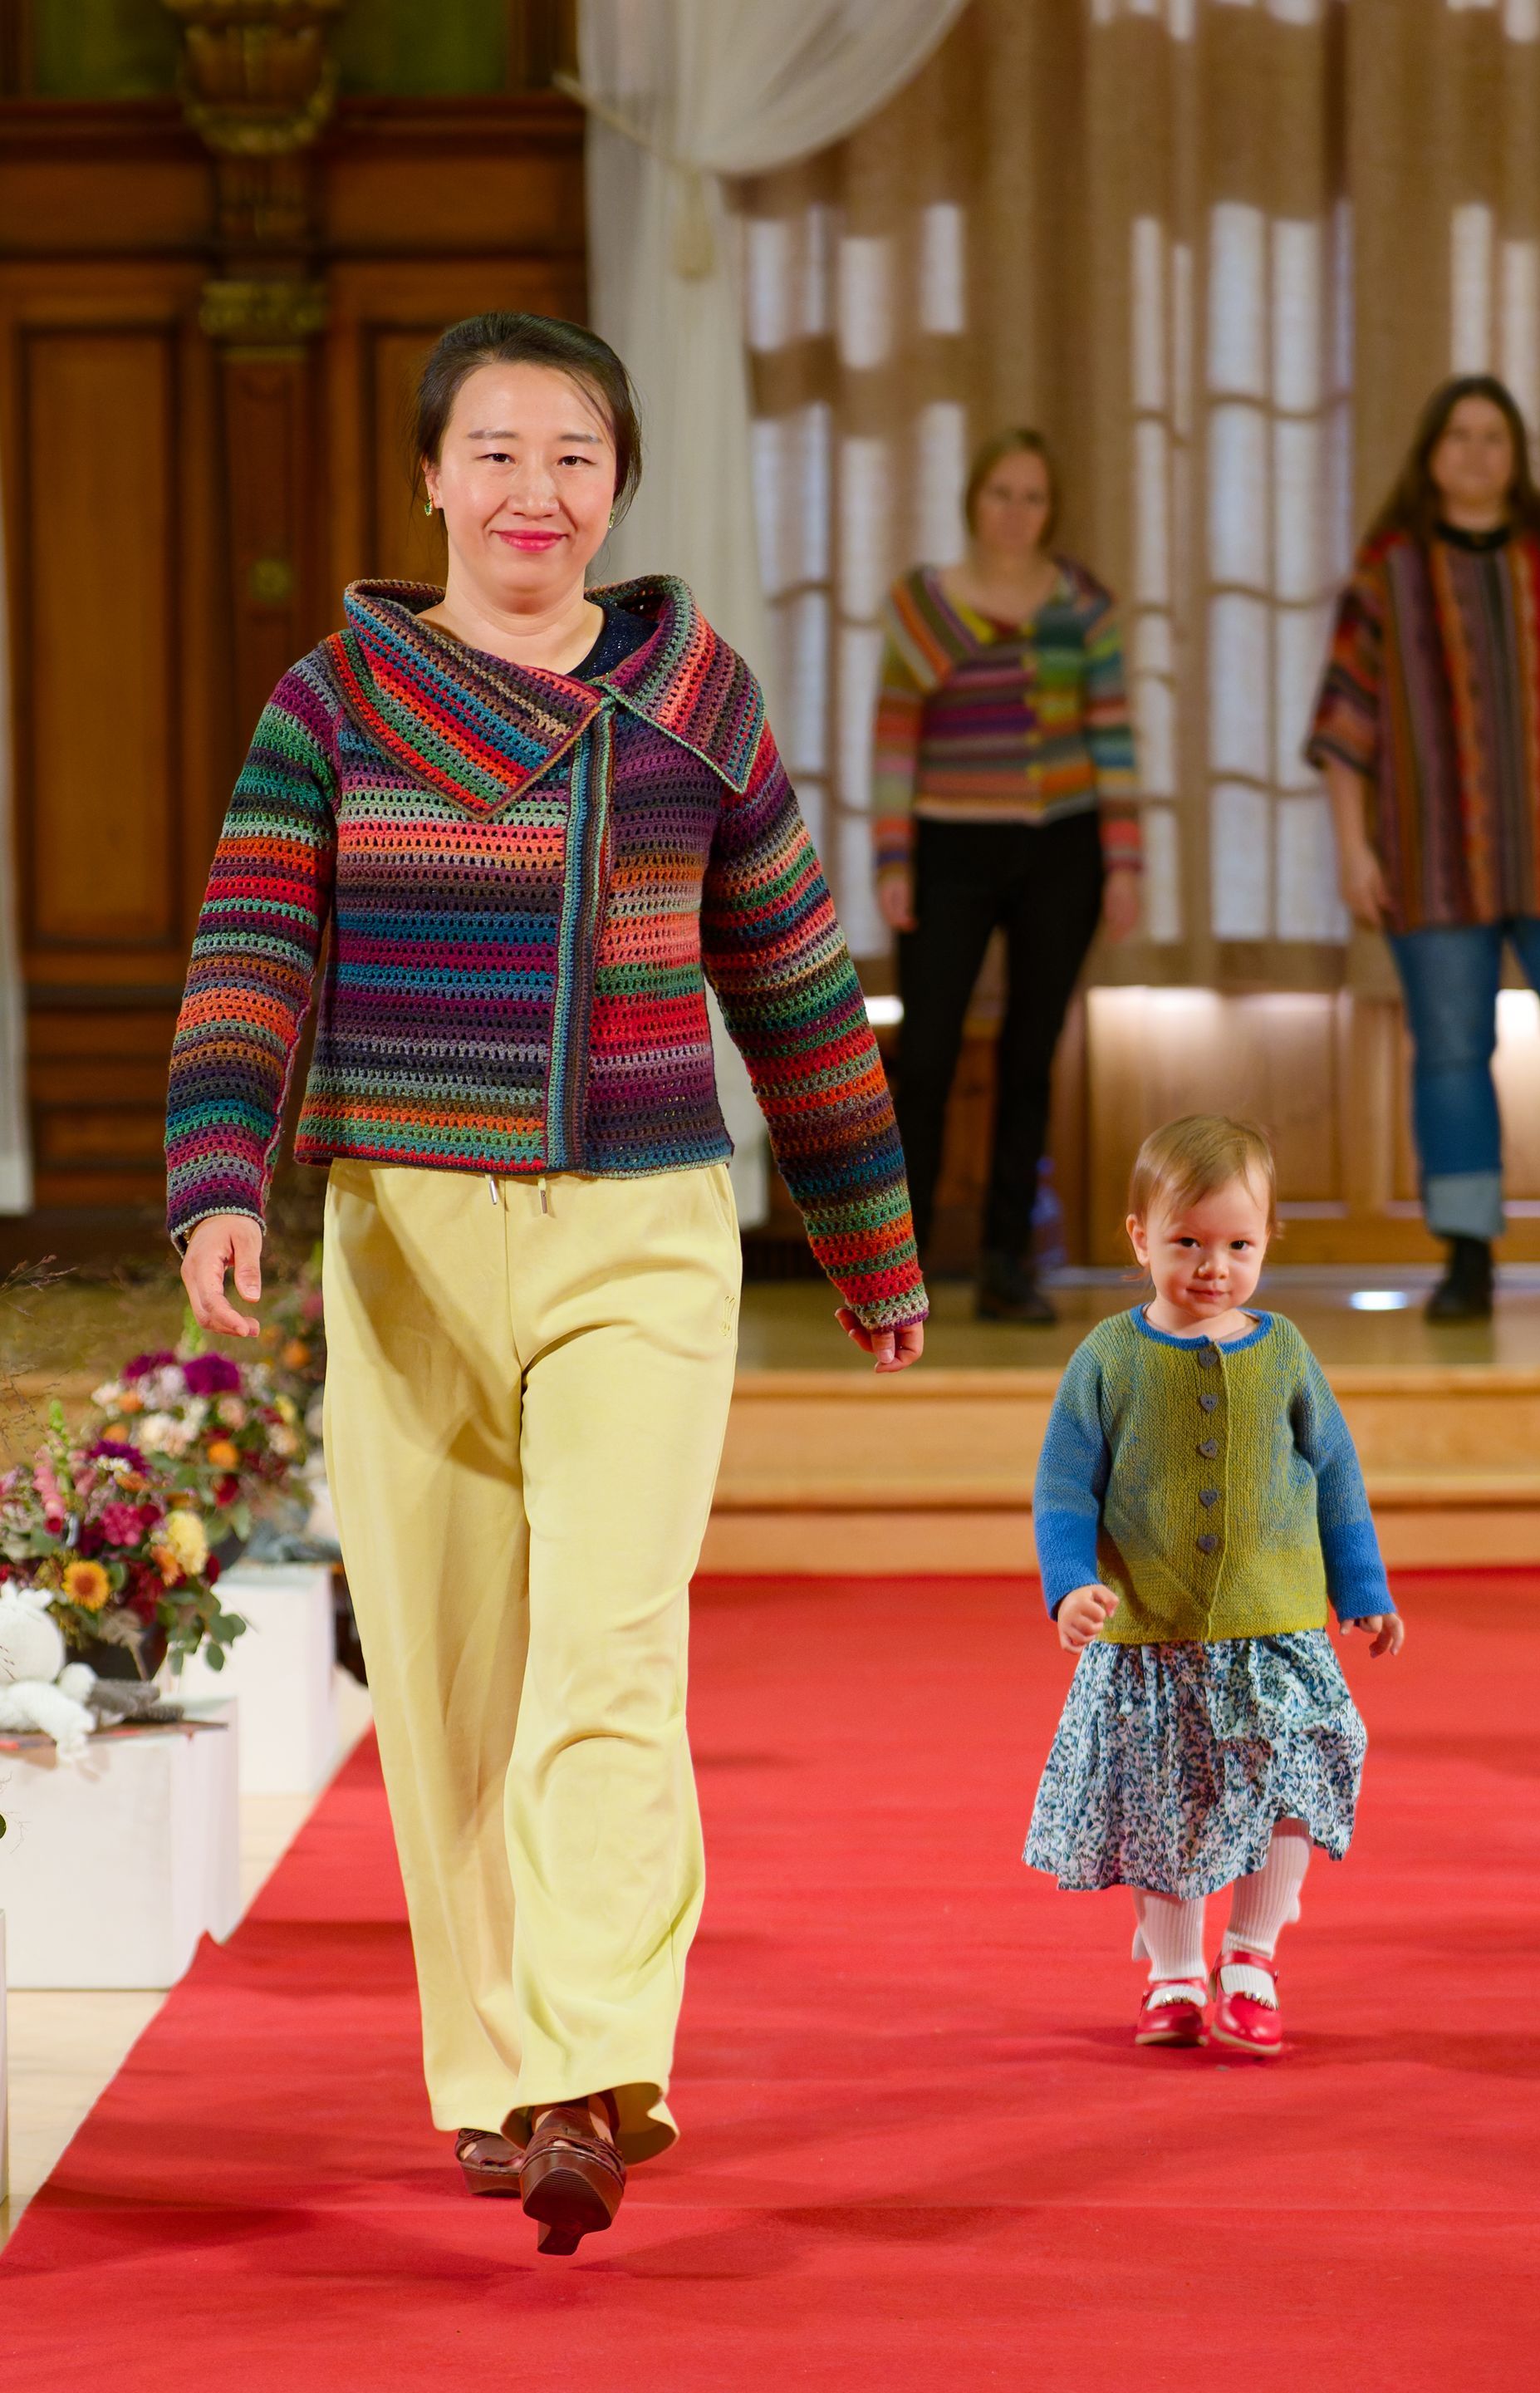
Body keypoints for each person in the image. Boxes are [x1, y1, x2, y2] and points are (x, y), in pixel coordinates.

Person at [166, 312, 927, 2254]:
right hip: (407, 1240)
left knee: (611, 1650)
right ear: (431, 479)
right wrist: (216, 1181)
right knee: (445, 1685)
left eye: (572, 455)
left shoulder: (696, 699)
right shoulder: (333, 702)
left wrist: (866, 1234)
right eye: (494, 451)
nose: (532, 490)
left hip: (641, 1228)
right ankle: (498, 2079)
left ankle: (592, 2064)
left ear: (617, 487)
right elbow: (252, 948)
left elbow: (796, 983)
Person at [1022, 1116, 1403, 2056]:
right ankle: (1174, 1974)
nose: (1211, 1266)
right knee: (1164, 1803)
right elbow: (1064, 1487)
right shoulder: (1108, 1358)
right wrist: (1070, 1585)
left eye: (1238, 1244)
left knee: (1289, 1783)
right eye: (1186, 1241)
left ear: (1269, 1240)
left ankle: (1252, 1958)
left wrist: (1364, 1587)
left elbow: (1338, 1476)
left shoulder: (1284, 1354)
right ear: (1139, 1238)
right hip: (1152, 1639)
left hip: (1274, 1630)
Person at [1307, 374, 1540, 1322]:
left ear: (1517, 454)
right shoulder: (1390, 567)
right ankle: (1468, 1253)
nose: (1475, 453)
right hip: (1434, 860)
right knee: (1450, 1055)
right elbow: (1346, 722)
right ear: (1431, 453)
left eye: (1494, 437)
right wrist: (1355, 851)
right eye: (1458, 436)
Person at [871, 428, 1141, 1324]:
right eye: (1002, 493)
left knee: (1031, 1060)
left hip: (1061, 852)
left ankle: (1004, 1263)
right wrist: (892, 857)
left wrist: (1125, 862)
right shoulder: (926, 607)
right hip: (949, 850)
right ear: (973, 503)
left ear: (1050, 511)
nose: (1017, 512)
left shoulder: (1083, 608)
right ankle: (895, 1277)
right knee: (934, 1058)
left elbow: (1113, 738)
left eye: (1033, 496)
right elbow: (894, 736)